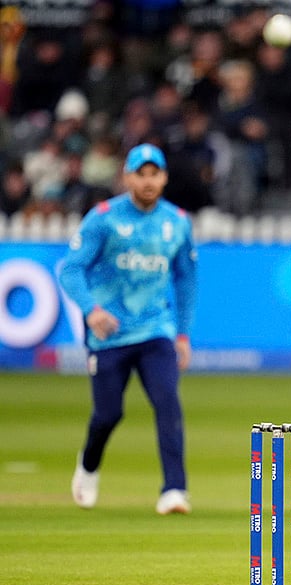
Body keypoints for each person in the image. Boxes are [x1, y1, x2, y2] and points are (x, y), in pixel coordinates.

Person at [58, 143, 198, 515]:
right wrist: (91, 311)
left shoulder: (177, 222)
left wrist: (182, 334)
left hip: (156, 330)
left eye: (155, 174)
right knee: (108, 414)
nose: (148, 181)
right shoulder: (104, 218)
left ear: (165, 177)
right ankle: (88, 465)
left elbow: (186, 280)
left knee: (167, 402)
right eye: (141, 174)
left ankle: (174, 490)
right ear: (127, 176)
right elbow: (71, 269)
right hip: (109, 334)